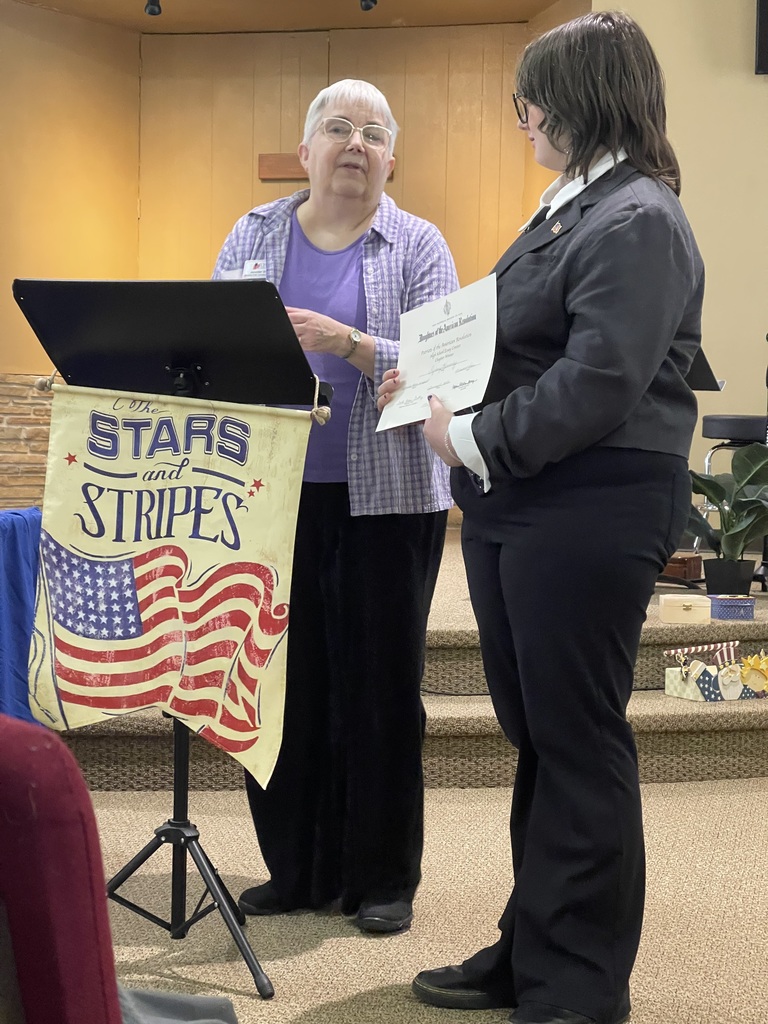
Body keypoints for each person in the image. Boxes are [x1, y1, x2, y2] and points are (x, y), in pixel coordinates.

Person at [378, 11, 703, 1022]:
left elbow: (601, 378)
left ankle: (580, 985)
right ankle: (533, 944)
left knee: (579, 738)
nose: (522, 116)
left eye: (532, 97)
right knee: (543, 739)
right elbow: (510, 340)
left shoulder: (638, 216)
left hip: (592, 498)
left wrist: (467, 439)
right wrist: (429, 388)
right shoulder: (570, 208)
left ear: (578, 98)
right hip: (529, 500)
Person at [212, 79, 458, 934]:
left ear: (393, 158)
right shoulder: (252, 234)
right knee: (281, 686)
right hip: (271, 497)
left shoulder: (418, 244)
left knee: (383, 685)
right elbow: (214, 343)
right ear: (307, 147)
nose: (355, 143)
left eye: (374, 133)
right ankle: (298, 871)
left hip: (389, 501)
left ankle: (383, 878)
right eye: (338, 128)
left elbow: (442, 364)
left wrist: (347, 341)